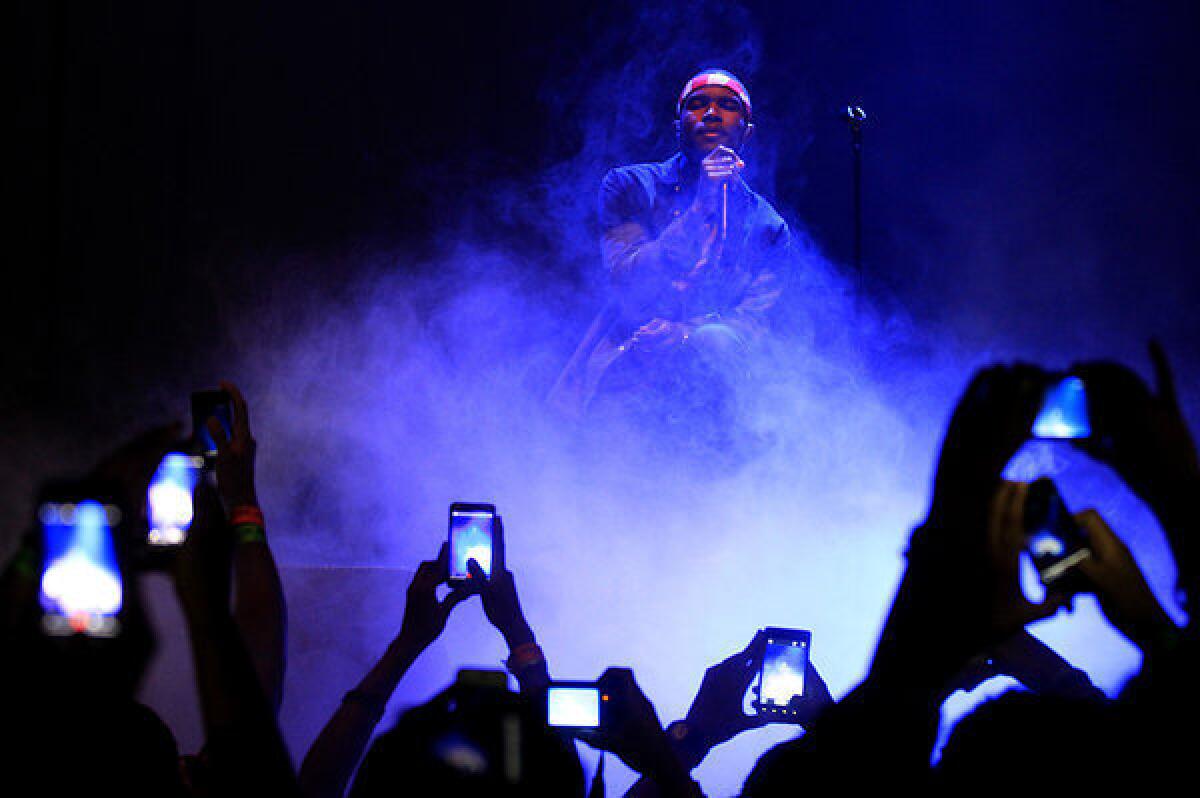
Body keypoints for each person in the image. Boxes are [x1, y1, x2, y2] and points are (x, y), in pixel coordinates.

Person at [548, 68, 793, 448]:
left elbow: (755, 323)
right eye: (697, 104)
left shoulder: (768, 227)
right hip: (626, 363)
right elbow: (628, 280)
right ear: (678, 125)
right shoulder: (630, 186)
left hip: (713, 387)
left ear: (747, 130)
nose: (711, 113)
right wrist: (701, 206)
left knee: (716, 346)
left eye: (727, 106)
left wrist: (684, 335)